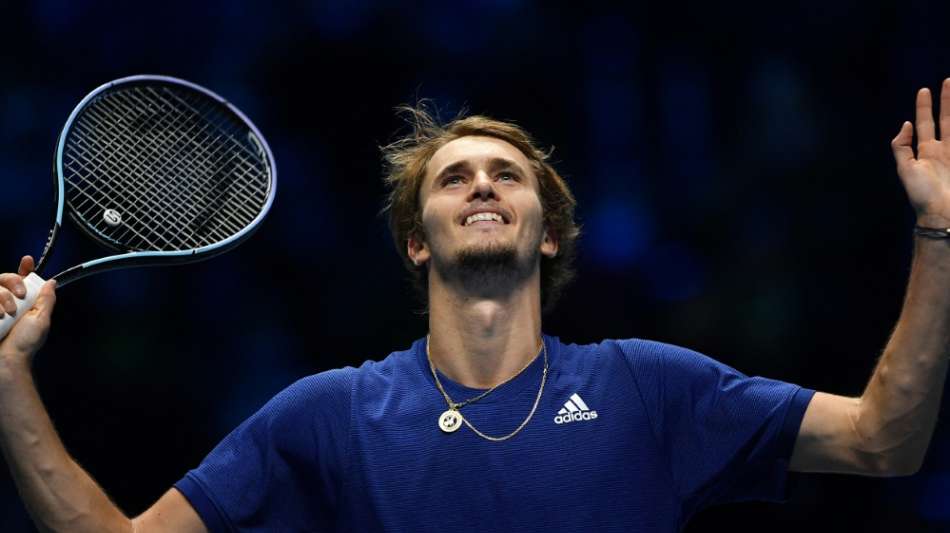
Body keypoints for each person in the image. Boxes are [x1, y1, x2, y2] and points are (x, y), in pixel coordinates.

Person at [1, 80, 949, 532]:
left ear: (548, 233)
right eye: (454, 178)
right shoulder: (330, 415)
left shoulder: (653, 387)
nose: (484, 184)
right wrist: (8, 378)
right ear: (419, 240)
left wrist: (939, 236)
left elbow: (882, 439)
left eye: (509, 174)